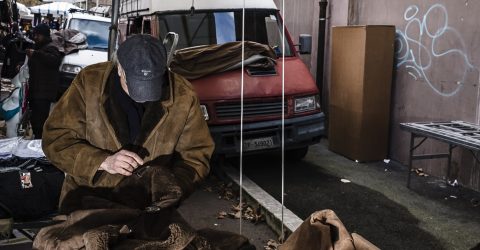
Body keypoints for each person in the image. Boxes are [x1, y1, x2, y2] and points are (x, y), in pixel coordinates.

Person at [41, 34, 214, 211]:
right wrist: (103, 161)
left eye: (152, 84)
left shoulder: (183, 94)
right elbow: (56, 140)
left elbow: (196, 155)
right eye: (136, 85)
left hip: (148, 209)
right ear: (120, 69)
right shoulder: (89, 82)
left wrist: (170, 188)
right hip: (88, 201)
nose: (143, 96)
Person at [26, 24, 63, 138]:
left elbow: (54, 61)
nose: (36, 37)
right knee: (35, 119)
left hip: (43, 93)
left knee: (40, 121)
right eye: (35, 35)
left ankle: (39, 144)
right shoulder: (40, 47)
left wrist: (35, 54)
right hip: (36, 91)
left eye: (38, 35)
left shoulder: (51, 48)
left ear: (45, 36)